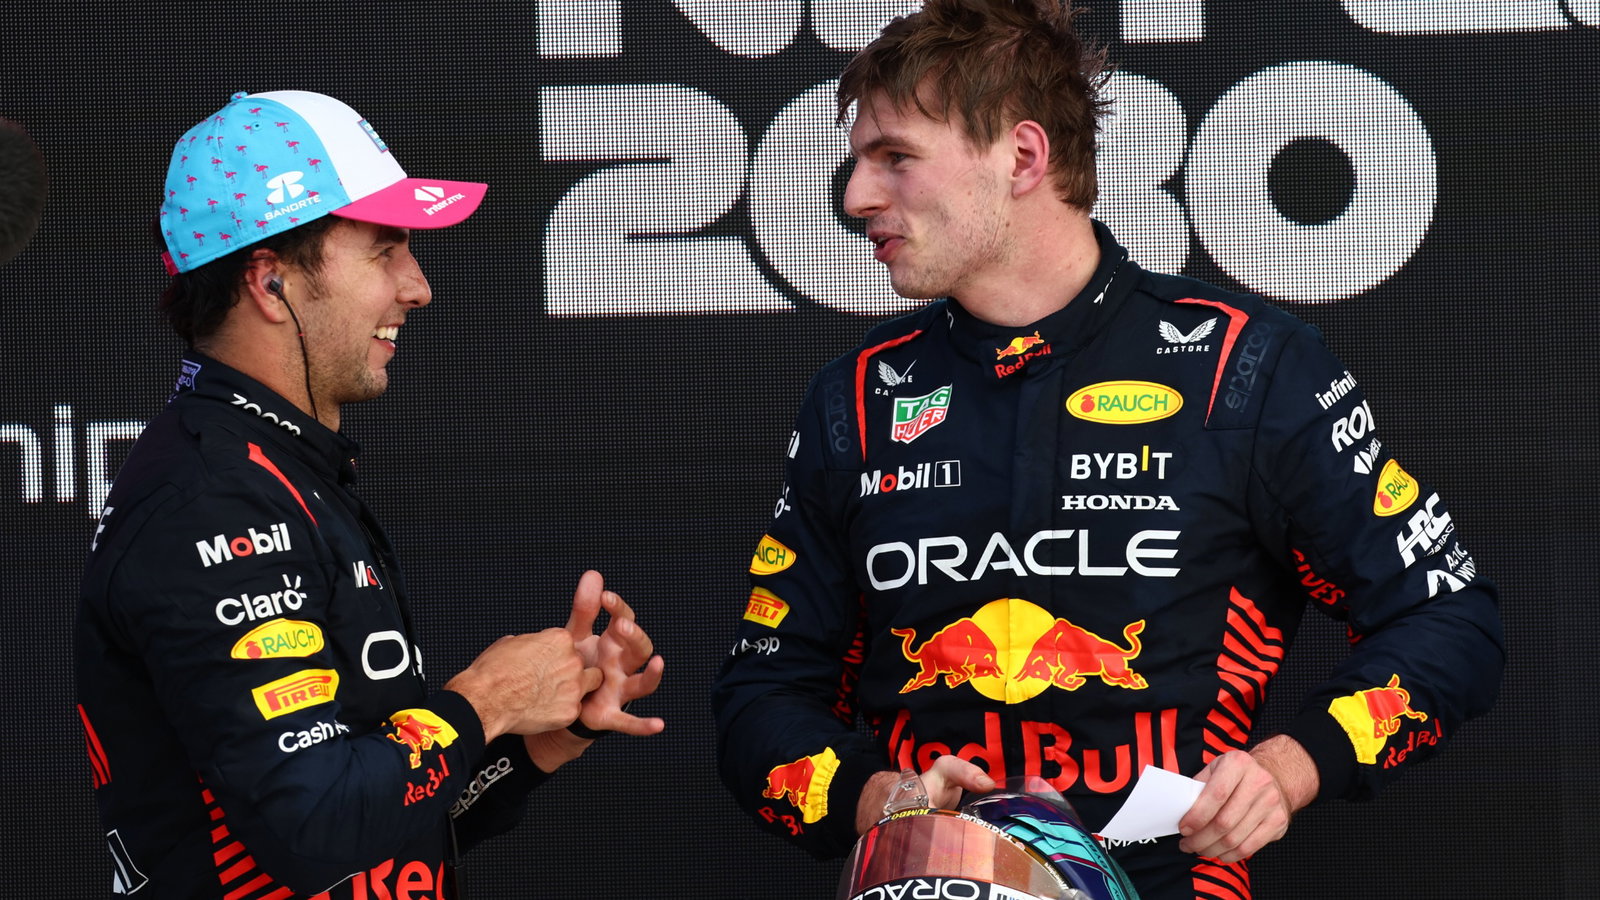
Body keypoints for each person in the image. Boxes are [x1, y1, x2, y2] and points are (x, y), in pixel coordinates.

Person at [710, 3, 1502, 898]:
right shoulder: (857, 399)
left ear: (1023, 156)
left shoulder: (1243, 369)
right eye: (859, 161)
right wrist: (878, 798)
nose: (856, 195)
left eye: (894, 157)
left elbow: (1448, 618)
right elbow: (762, 693)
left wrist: (1293, 766)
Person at [76, 90, 664, 899]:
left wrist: (541, 735)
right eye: (385, 250)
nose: (417, 287)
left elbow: (381, 825)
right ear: (270, 283)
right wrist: (485, 702)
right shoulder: (211, 501)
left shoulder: (280, 470)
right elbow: (313, 827)